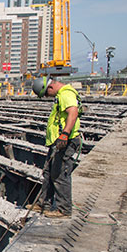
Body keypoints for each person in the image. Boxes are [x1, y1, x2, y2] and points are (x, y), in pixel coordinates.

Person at [32, 75, 81, 218]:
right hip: (57, 142)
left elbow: (73, 112)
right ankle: (44, 203)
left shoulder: (66, 94)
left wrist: (65, 134)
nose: (47, 96)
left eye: (47, 94)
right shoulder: (60, 95)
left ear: (51, 87)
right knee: (48, 172)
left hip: (66, 141)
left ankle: (64, 210)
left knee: (60, 175)